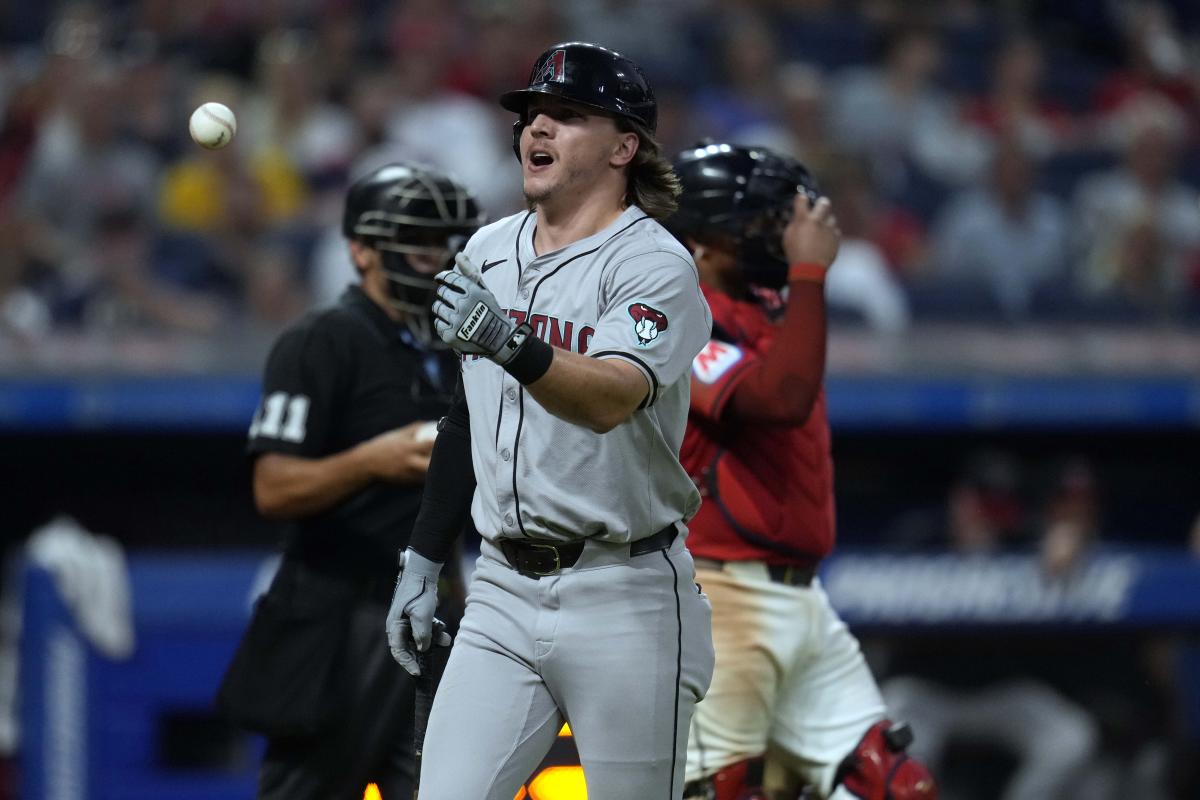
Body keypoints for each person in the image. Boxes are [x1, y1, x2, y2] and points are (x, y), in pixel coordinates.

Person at [384, 42, 716, 800]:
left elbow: (609, 397)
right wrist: (424, 561)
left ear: (623, 147)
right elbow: (467, 417)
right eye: (533, 113)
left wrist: (507, 340)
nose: (538, 127)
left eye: (567, 116)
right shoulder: (488, 250)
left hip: (626, 592)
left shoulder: (652, 265)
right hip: (501, 588)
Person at [667, 143, 937, 800]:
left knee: (896, 787)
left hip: (803, 597)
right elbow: (777, 401)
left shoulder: (769, 302)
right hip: (721, 591)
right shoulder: (671, 309)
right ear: (700, 238)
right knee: (723, 791)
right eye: (754, 223)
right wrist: (812, 273)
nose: (774, 236)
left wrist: (804, 279)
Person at [216, 162, 483, 800]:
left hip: (432, 612)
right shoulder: (320, 341)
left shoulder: (454, 345)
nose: (435, 258)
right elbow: (272, 488)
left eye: (445, 244)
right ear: (361, 248)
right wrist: (371, 460)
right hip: (338, 614)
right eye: (417, 242)